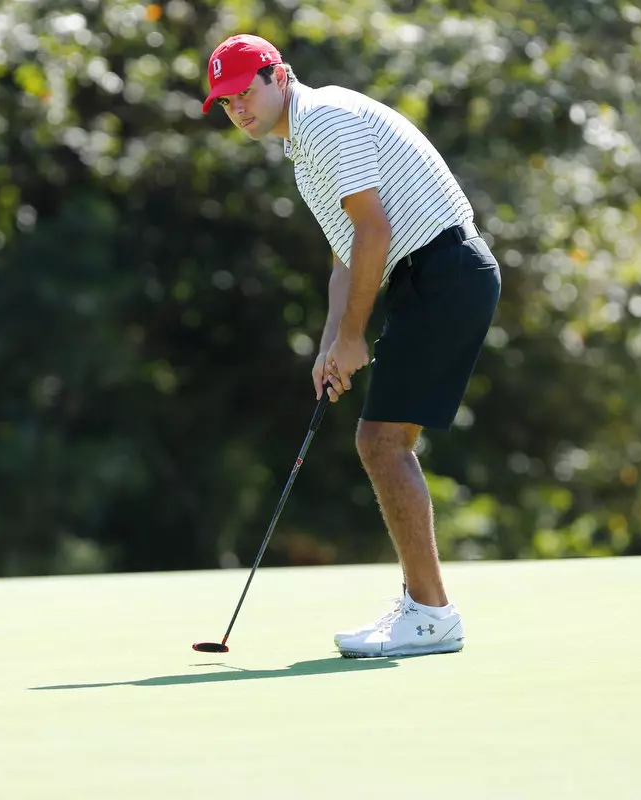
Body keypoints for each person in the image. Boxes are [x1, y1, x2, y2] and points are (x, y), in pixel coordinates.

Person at [201, 34, 501, 658]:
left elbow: (375, 231)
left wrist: (355, 334)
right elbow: (345, 253)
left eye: (244, 93)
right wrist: (331, 344)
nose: (239, 110)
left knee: (381, 441)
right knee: (384, 441)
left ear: (277, 75)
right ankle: (426, 610)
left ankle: (430, 614)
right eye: (226, 103)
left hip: (443, 270)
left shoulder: (325, 121)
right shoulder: (301, 143)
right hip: (433, 276)